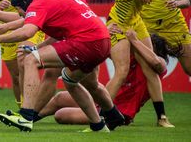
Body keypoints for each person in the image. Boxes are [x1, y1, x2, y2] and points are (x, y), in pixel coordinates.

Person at [0, 0, 124, 132]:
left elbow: (28, 31)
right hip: (102, 40)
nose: (20, 13)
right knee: (72, 80)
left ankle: (26, 116)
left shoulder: (38, 4)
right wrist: (36, 48)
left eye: (18, 9)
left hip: (86, 41)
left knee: (31, 60)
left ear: (23, 3)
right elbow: (57, 36)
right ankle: (104, 121)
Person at [69, 0, 177, 127]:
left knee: (151, 67)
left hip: (136, 21)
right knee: (122, 71)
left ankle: (162, 118)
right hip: (118, 24)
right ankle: (103, 117)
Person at [0, 0, 87, 114]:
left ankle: (28, 113)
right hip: (75, 34)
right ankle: (31, 114)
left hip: (82, 36)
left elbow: (28, 29)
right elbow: (32, 17)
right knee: (60, 76)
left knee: (31, 60)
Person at [39, 31, 180, 126]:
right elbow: (100, 50)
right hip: (104, 98)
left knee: (60, 115)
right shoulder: (128, 59)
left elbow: (156, 63)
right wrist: (106, 32)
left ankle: (107, 117)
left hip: (121, 111)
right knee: (61, 97)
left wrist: (135, 40)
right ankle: (30, 116)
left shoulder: (156, 67)